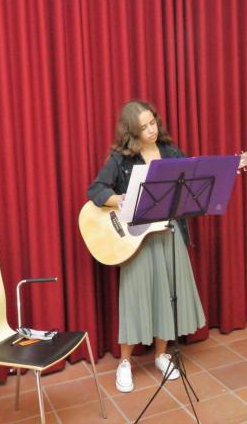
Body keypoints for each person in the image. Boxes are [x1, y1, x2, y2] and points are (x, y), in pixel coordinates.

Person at [87, 99, 207, 392]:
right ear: (131, 131)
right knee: (135, 298)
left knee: (168, 295)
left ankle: (161, 355)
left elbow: (196, 178)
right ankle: (125, 363)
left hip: (169, 233)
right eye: (144, 127)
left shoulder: (170, 151)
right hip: (138, 241)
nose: (151, 130)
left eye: (153, 122)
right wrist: (120, 199)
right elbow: (96, 190)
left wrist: (232, 164)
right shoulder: (121, 158)